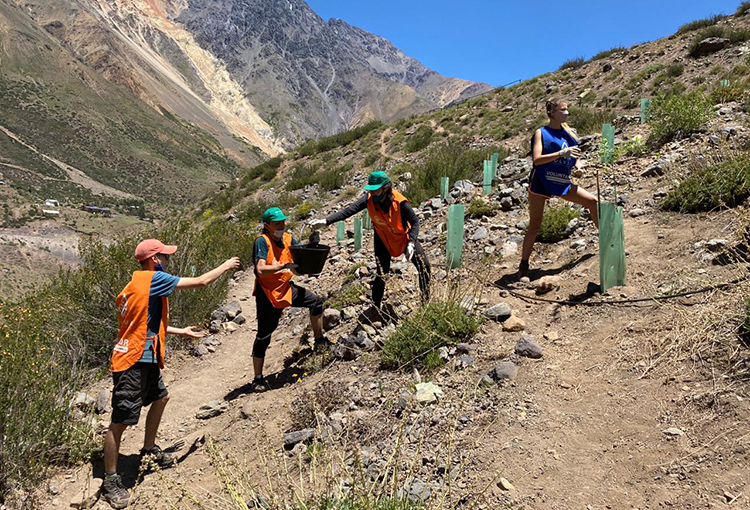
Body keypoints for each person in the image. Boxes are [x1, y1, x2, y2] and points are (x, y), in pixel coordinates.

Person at [101, 239, 240, 509]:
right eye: (165, 256)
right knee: (120, 421)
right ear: (155, 260)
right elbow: (201, 282)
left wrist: (180, 331)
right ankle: (110, 479)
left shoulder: (136, 283)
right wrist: (225, 266)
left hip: (144, 354)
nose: (168, 260)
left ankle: (148, 450)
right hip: (133, 361)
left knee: (161, 398)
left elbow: (142, 322)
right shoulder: (153, 278)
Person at [310, 170, 430, 311]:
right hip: (382, 239)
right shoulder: (368, 199)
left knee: (424, 266)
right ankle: (375, 307)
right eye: (371, 190)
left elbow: (415, 221)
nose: (372, 194)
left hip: (404, 237)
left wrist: (411, 242)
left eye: (376, 190)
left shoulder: (400, 202)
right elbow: (349, 210)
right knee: (381, 273)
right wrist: (326, 221)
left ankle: (425, 304)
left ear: (385, 188)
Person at [250, 207, 327, 393]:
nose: (281, 226)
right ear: (267, 226)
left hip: (285, 288)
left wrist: (313, 245)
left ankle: (319, 341)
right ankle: (258, 377)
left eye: (283, 222)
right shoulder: (262, 241)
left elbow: (300, 257)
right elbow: (260, 269)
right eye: (277, 224)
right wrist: (283, 265)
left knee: (316, 302)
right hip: (267, 293)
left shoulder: (288, 238)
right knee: (264, 335)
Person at [520, 99, 599, 276]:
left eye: (567, 109)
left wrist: (578, 164)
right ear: (552, 112)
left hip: (561, 180)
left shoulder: (569, 133)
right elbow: (537, 160)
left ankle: (607, 242)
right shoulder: (541, 133)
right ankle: (524, 266)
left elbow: (576, 154)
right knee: (535, 224)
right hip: (541, 181)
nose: (567, 113)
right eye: (563, 110)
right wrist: (561, 153)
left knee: (593, 202)